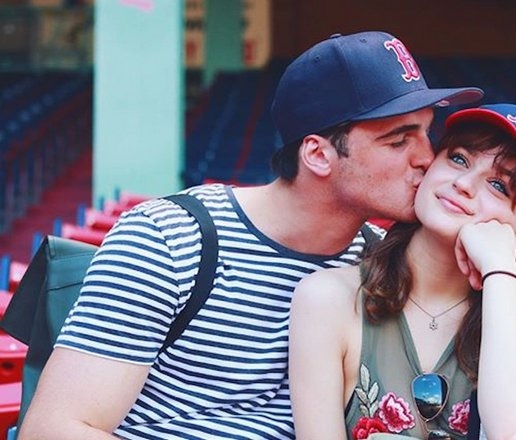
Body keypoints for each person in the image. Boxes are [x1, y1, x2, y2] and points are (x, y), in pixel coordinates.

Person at [18, 31, 483, 439]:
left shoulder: (378, 263)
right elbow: (54, 430)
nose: (427, 158)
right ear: (318, 155)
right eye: (398, 140)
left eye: (427, 134)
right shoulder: (171, 238)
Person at [289, 103, 516, 440]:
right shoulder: (328, 298)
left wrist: (499, 269)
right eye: (458, 159)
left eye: (498, 185)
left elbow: (513, 431)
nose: (464, 183)